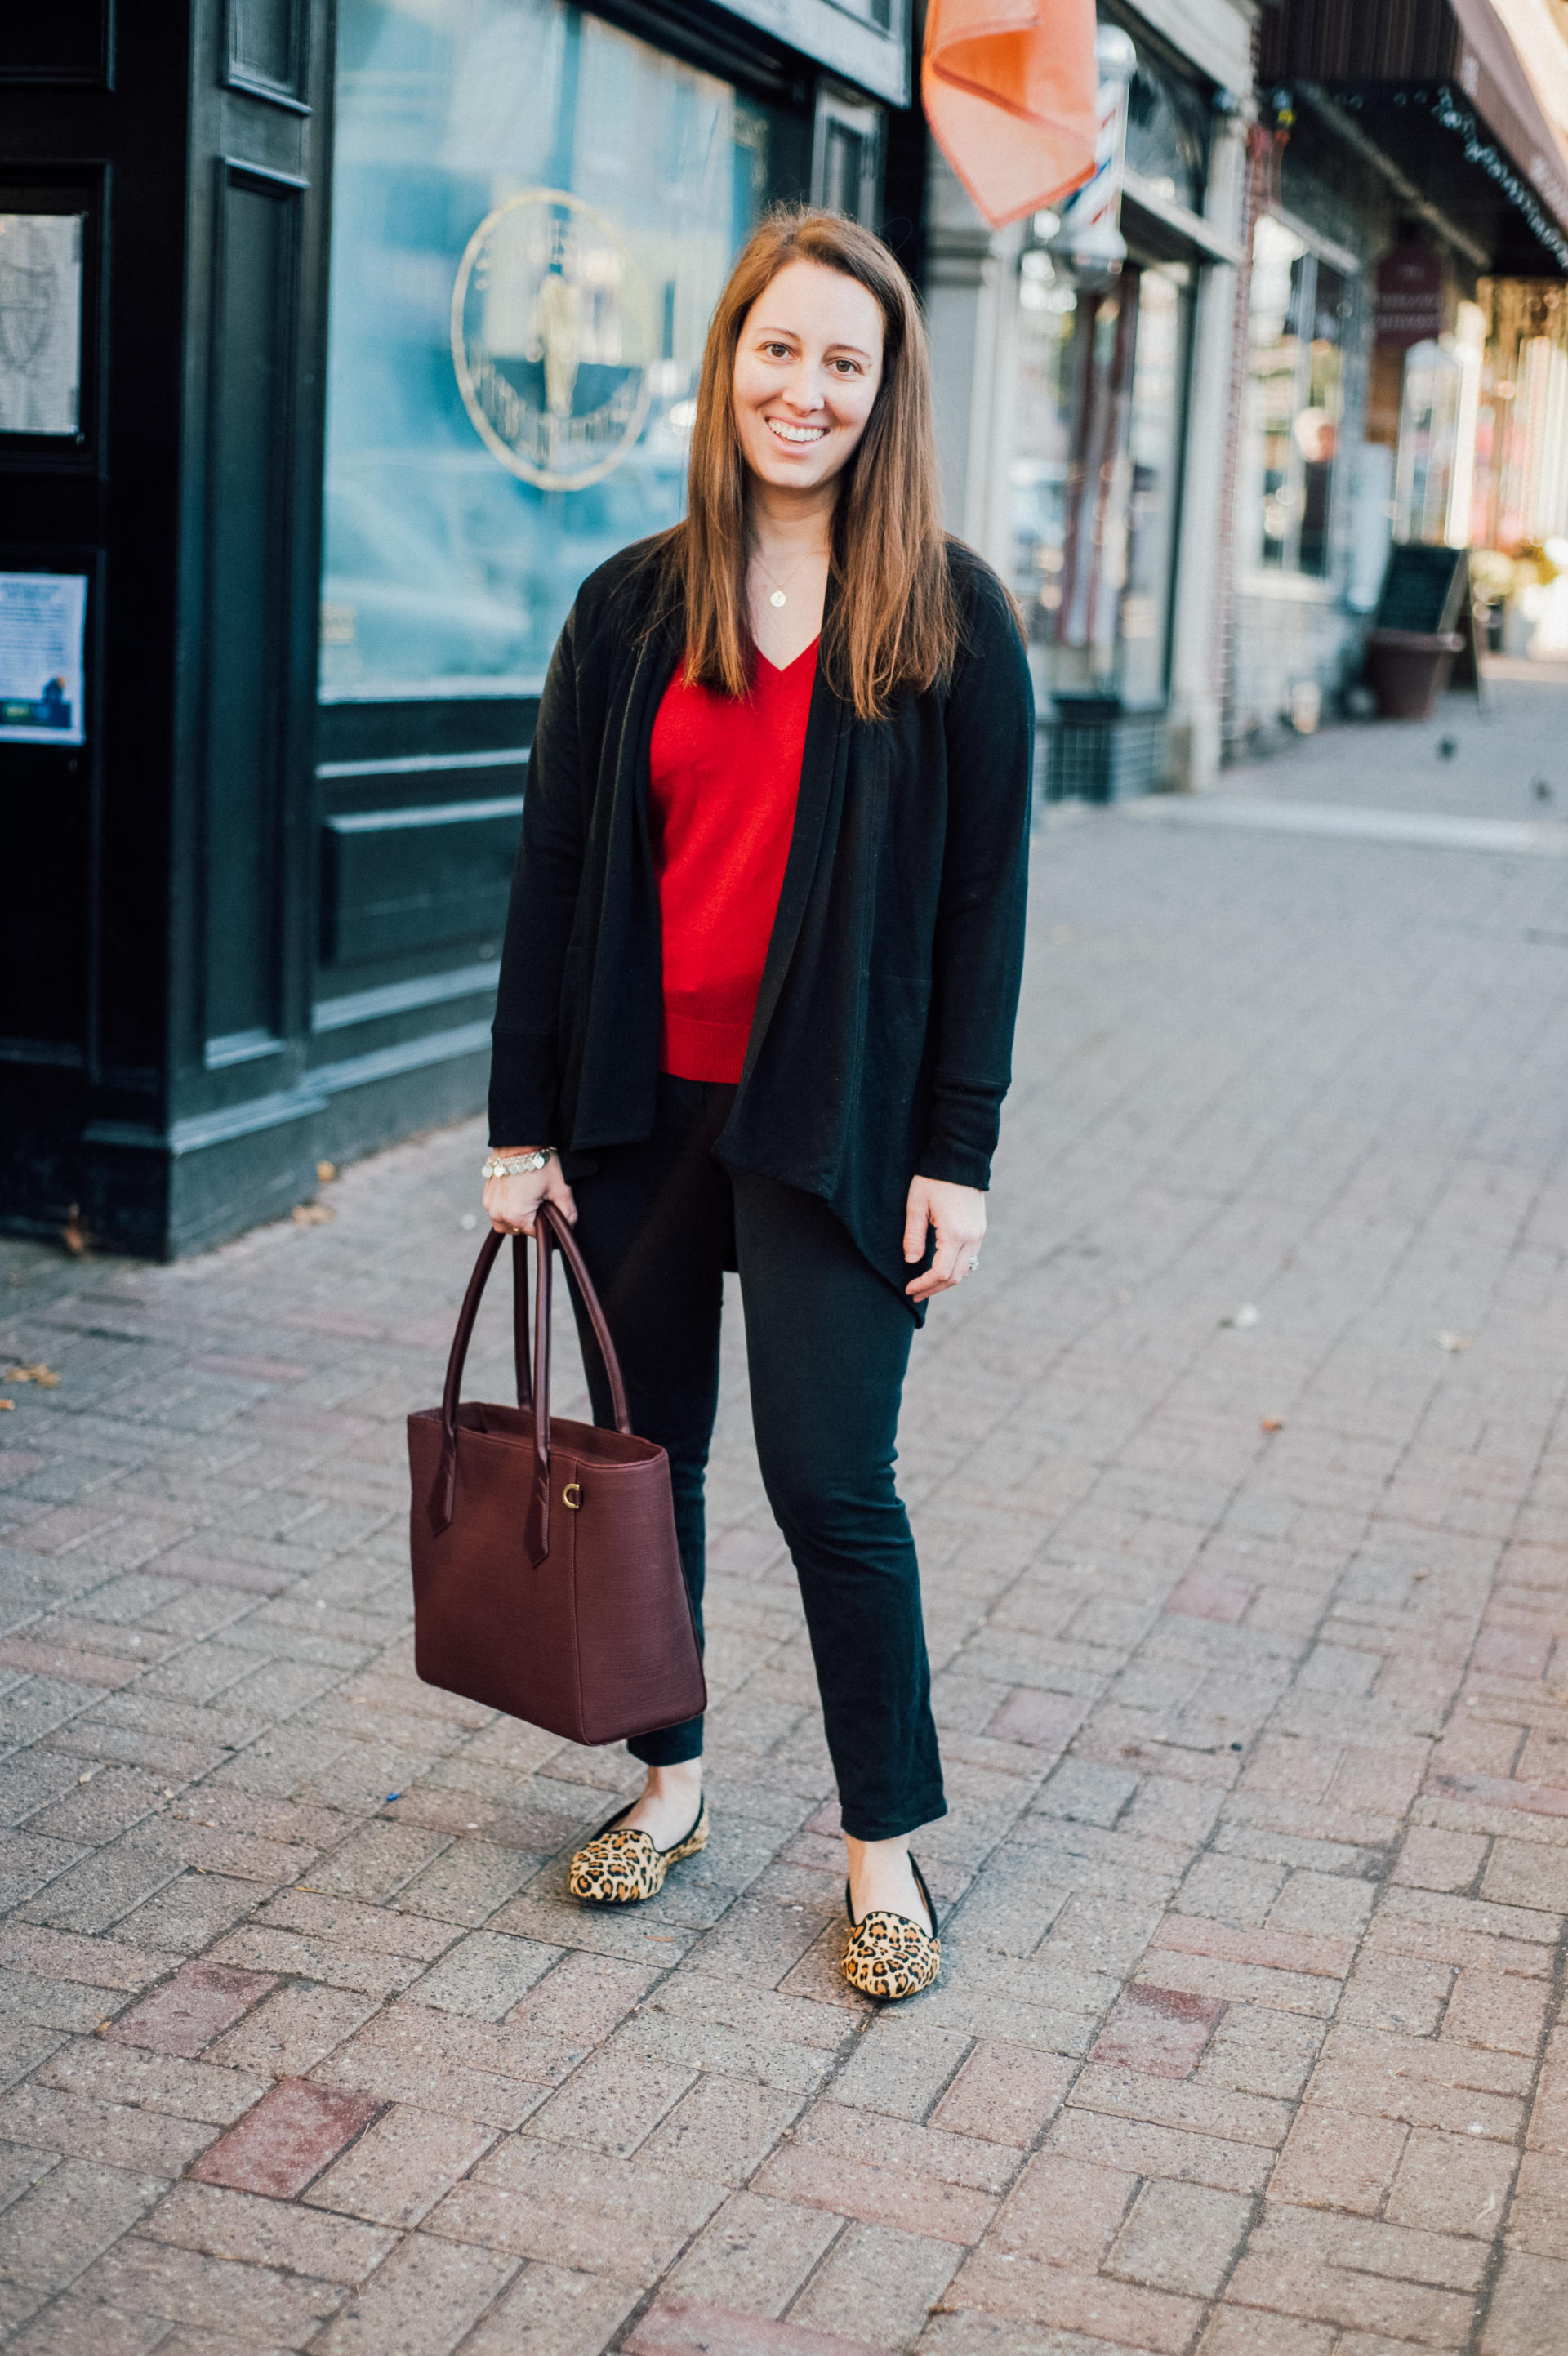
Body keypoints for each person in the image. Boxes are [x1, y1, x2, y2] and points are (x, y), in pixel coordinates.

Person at [482, 205, 1032, 2003]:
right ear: (729, 367)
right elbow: (557, 872)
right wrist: (520, 1129)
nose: (804, 390)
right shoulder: (632, 604)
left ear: (886, 396)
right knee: (650, 1476)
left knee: (833, 1484)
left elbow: (983, 915)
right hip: (641, 1112)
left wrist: (961, 1152)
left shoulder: (952, 623)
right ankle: (674, 1777)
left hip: (840, 1120)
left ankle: (885, 1848)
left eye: (843, 364)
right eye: (777, 351)